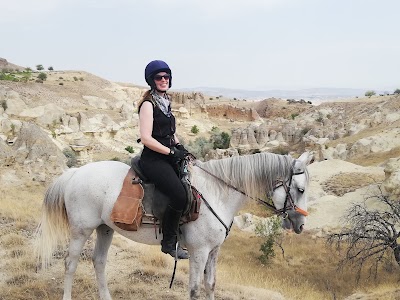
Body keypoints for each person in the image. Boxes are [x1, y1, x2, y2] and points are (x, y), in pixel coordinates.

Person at [138, 60, 190, 259]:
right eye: (159, 77)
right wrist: (170, 153)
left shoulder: (166, 102)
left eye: (166, 77)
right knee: (179, 195)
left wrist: (179, 146)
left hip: (167, 155)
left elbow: (169, 132)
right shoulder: (148, 105)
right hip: (153, 160)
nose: (163, 80)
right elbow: (146, 138)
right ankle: (169, 242)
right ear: (152, 80)